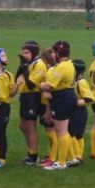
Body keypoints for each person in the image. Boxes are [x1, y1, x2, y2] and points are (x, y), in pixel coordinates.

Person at [40, 41, 77, 170]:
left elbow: (48, 86)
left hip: (62, 98)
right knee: (64, 130)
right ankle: (72, 159)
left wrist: (41, 85)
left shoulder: (61, 67)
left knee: (60, 131)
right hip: (69, 95)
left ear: (57, 53)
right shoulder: (69, 64)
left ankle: (61, 162)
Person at [16, 40, 46, 165]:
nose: (24, 55)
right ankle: (30, 152)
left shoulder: (39, 64)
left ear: (33, 52)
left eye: (26, 52)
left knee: (30, 126)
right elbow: (17, 76)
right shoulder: (28, 63)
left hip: (34, 96)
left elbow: (30, 84)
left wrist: (25, 68)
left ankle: (33, 156)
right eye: (23, 52)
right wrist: (22, 66)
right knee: (22, 126)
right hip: (25, 96)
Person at [38, 48, 59, 167]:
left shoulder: (51, 71)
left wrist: (48, 110)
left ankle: (52, 158)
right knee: (50, 132)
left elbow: (48, 90)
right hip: (45, 103)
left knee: (52, 132)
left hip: (49, 105)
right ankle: (50, 154)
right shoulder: (50, 69)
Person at [70, 59, 94, 164]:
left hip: (79, 112)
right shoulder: (72, 82)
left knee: (76, 134)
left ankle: (78, 155)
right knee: (72, 133)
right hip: (72, 111)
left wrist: (77, 102)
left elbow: (89, 98)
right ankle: (76, 154)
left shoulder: (81, 83)